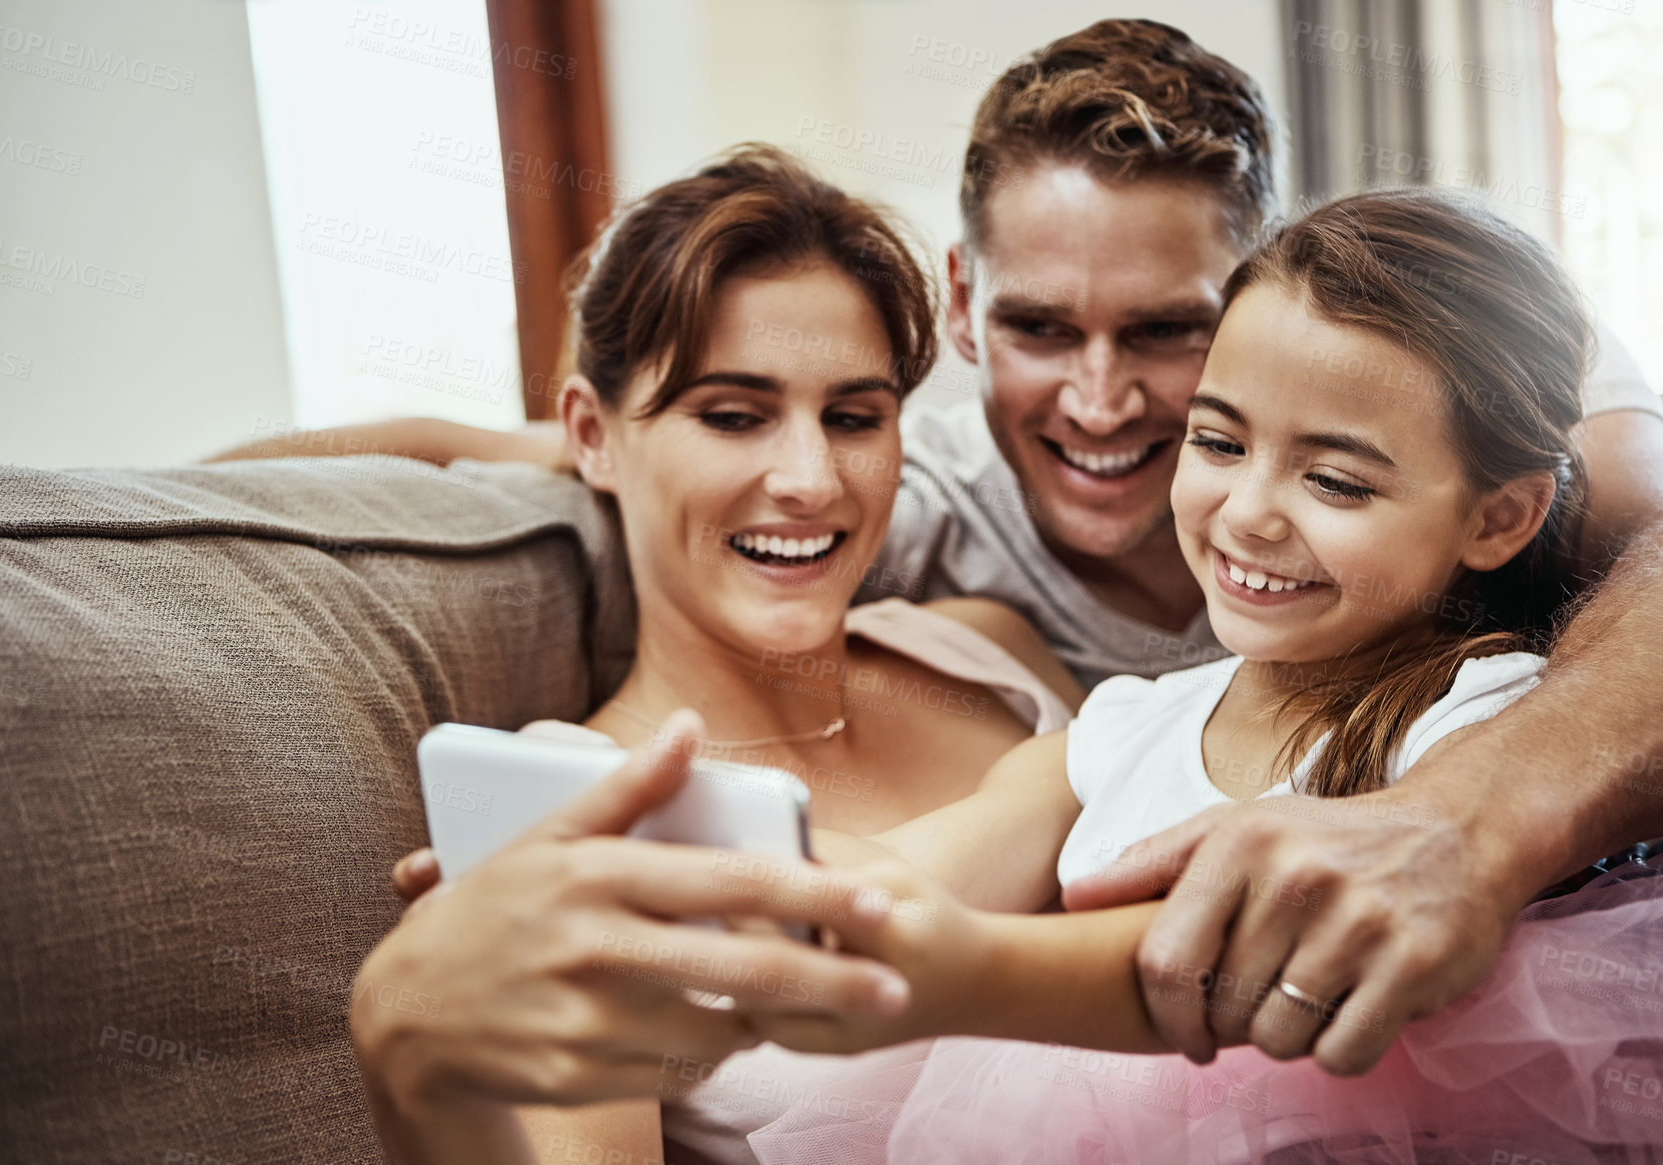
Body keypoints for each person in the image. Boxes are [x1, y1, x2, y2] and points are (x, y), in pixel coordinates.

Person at [247, 19, 1663, 1078]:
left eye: (1165, 333)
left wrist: (951, 972)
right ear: (968, 304)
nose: (1104, 406)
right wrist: (646, 904)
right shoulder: (902, 511)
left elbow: (1181, 952)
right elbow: (909, 872)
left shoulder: (1497, 548)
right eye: (1044, 328)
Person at [735, 189, 1663, 1161]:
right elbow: (907, 871)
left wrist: (970, 967)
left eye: (1336, 480)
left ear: (1500, 517)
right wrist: (700, 870)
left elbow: (1254, 965)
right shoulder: (1128, 725)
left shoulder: (1474, 730)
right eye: (1219, 442)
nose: (1249, 512)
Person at [351, 144, 1105, 1165]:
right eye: (732, 416)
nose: (809, 478)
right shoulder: (574, 809)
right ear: (593, 433)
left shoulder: (986, 652)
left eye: (852, 416)